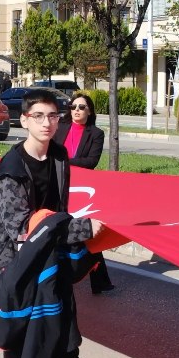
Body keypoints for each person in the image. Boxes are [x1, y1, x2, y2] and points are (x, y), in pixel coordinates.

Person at [0, 88, 102, 358]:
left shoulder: (59, 155)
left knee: (66, 347)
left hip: (52, 266)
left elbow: (58, 211)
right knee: (19, 351)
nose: (47, 123)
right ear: (23, 120)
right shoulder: (10, 170)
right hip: (16, 271)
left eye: (53, 116)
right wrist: (82, 229)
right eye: (38, 116)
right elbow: (23, 228)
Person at [53, 92, 115, 295]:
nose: (76, 110)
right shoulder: (60, 128)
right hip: (58, 184)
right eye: (73, 107)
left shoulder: (95, 133)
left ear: (89, 111)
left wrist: (63, 161)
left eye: (81, 107)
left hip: (82, 189)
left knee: (88, 232)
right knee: (55, 229)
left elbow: (91, 162)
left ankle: (100, 280)